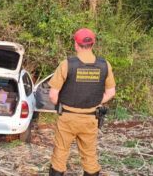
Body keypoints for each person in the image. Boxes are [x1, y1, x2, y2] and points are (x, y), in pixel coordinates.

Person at [48, 28, 116, 176]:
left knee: (60, 154)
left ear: (76, 44)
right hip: (90, 118)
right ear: (93, 44)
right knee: (90, 156)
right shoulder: (105, 65)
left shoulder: (67, 64)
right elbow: (111, 92)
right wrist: (96, 101)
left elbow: (53, 95)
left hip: (67, 117)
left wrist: (62, 105)